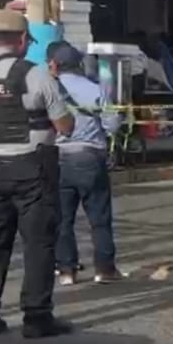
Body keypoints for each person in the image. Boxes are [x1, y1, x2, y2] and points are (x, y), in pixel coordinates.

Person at [0, 8, 75, 339]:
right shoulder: (36, 74)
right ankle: (37, 317)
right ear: (23, 40)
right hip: (32, 168)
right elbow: (64, 125)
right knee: (38, 242)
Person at [48, 41, 125, 286]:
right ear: (79, 64)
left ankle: (67, 270)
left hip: (58, 157)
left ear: (55, 65)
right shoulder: (96, 89)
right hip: (91, 157)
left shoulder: (51, 89)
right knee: (99, 217)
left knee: (63, 218)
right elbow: (112, 125)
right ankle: (104, 269)